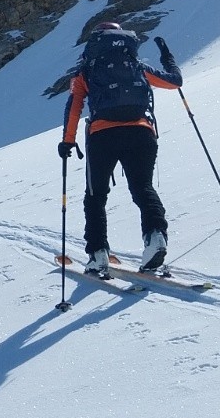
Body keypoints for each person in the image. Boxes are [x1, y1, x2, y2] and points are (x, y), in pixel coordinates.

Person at [58, 23, 183, 276]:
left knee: (95, 196)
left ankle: (98, 253)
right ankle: (155, 237)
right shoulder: (136, 66)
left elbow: (74, 106)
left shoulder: (87, 70)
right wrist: (168, 58)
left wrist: (67, 141)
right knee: (143, 188)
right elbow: (175, 82)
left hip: (102, 136)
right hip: (141, 131)